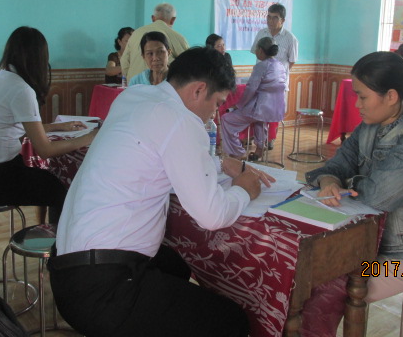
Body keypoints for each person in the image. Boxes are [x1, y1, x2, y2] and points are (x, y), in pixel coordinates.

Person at [49, 47, 275, 337]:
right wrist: (243, 190)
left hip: (67, 270)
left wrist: (219, 163)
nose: (215, 114)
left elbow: (154, 161)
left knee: (175, 266)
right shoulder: (180, 119)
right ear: (199, 90)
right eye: (217, 103)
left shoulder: (134, 96)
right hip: (103, 291)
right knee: (231, 321)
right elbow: (212, 215)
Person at [301, 51, 403, 336]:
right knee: (303, 276)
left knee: (324, 289)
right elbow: (334, 166)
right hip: (367, 246)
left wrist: (345, 183)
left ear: (391, 96)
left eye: (362, 97)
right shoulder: (368, 127)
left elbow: (380, 196)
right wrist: (329, 180)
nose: (357, 104)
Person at [0, 27, 97, 224]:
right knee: (62, 188)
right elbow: (45, 150)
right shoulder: (21, 89)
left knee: (51, 179)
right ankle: (57, 241)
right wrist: (90, 137)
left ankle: (52, 235)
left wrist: (58, 127)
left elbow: (13, 128)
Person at [221, 37, 286, 161]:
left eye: (256, 49)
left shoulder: (261, 66)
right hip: (277, 108)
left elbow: (251, 89)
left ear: (260, 50)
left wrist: (238, 105)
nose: (255, 51)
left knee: (227, 119)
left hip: (262, 107)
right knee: (260, 121)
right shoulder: (280, 65)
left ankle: (237, 152)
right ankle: (260, 149)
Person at [251, 3, 298, 149]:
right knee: (258, 110)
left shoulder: (290, 38)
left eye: (275, 18)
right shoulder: (261, 33)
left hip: (278, 83)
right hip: (260, 81)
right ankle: (259, 139)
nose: (270, 21)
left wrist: (277, 74)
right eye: (269, 17)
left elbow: (291, 61)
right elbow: (255, 52)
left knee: (274, 112)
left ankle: (270, 138)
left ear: (282, 20)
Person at [120, 3, 190, 82]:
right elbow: (188, 65)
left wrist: (130, 80)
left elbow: (124, 62)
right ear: (173, 20)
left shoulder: (135, 33)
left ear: (153, 18)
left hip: (135, 84)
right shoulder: (177, 37)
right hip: (163, 85)